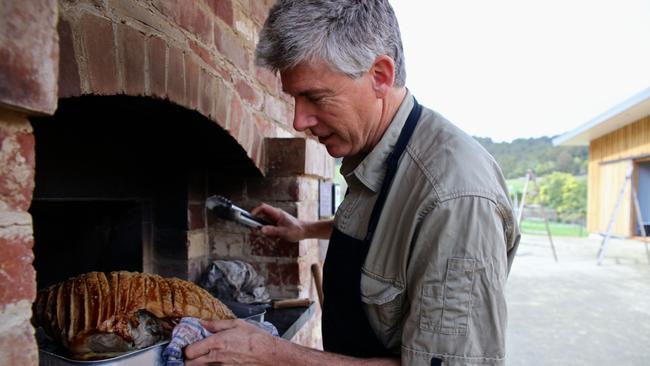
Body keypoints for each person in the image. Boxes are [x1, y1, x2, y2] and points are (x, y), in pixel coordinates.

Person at [184, 1, 520, 365]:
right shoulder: (375, 150)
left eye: (314, 97)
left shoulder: (456, 199)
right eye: (294, 98)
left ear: (379, 75)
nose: (299, 120)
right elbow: (391, 231)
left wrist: (272, 356)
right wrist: (305, 229)